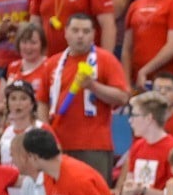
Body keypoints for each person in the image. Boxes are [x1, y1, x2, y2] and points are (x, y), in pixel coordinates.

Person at [37, 12, 129, 184]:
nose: (80, 35)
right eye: (76, 30)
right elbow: (42, 101)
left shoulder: (106, 60)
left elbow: (122, 97)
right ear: (66, 32)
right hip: (58, 144)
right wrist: (46, 132)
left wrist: (93, 86)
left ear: (94, 34)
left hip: (94, 145)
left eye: (86, 31)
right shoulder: (52, 63)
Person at [22, 128, 124, 195]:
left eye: (27, 157)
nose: (25, 161)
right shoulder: (48, 173)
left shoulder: (76, 179)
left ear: (34, 157)